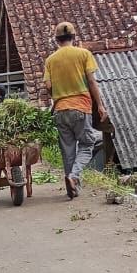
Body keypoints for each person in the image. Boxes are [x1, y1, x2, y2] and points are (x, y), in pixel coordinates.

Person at [43, 21, 107, 199]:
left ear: (57, 40)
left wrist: (59, 94)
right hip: (80, 107)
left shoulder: (50, 60)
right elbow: (92, 82)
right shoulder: (83, 54)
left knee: (68, 149)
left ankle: (72, 187)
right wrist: (100, 106)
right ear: (73, 37)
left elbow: (48, 86)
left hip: (60, 110)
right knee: (87, 144)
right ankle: (74, 176)